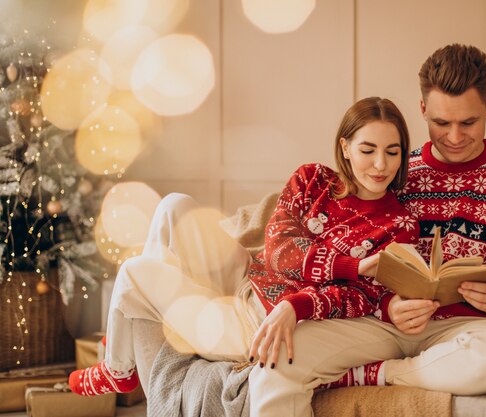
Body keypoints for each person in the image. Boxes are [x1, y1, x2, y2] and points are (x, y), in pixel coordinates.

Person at [248, 44, 486, 416]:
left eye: (469, 122)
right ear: (423, 110)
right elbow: (335, 229)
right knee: (277, 358)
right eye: (442, 123)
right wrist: (387, 303)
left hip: (462, 330)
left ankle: (379, 374)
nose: (456, 136)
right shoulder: (391, 168)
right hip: (376, 321)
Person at [67, 96, 420, 397]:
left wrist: (297, 303)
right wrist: (353, 266)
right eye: (368, 150)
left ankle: (119, 361)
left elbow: (362, 299)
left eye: (392, 152)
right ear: (345, 146)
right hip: (248, 276)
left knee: (133, 272)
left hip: (257, 322)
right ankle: (127, 351)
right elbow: (280, 249)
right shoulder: (313, 178)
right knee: (174, 205)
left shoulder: (400, 225)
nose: (380, 165)